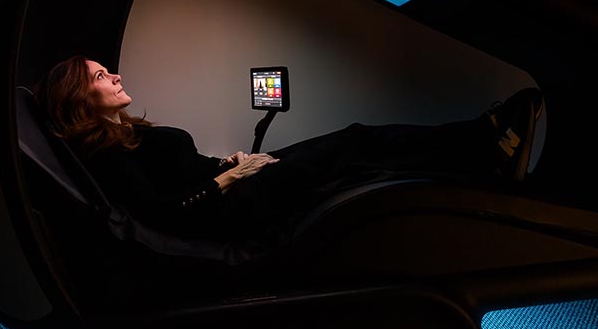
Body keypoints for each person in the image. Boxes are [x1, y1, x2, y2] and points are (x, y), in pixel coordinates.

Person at [36, 55, 543, 246]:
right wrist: (232, 178)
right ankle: (484, 141)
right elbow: (161, 217)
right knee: (355, 142)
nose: (116, 75)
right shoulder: (103, 152)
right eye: (102, 76)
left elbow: (181, 175)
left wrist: (227, 161)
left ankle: (481, 148)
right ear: (80, 98)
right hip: (232, 212)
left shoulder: (127, 132)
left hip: (237, 185)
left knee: (358, 147)